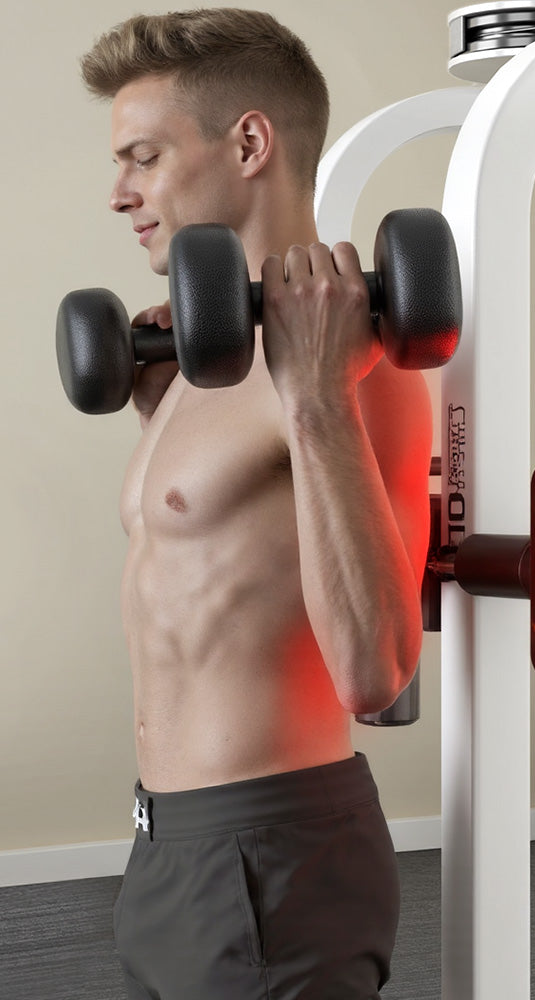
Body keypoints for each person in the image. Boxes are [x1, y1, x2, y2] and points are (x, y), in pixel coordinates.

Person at [79, 9, 432, 999]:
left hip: (272, 855)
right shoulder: (201, 363)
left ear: (247, 144)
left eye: (143, 158)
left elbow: (376, 670)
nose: (120, 194)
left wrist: (315, 395)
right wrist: (161, 416)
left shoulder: (352, 358)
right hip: (169, 849)